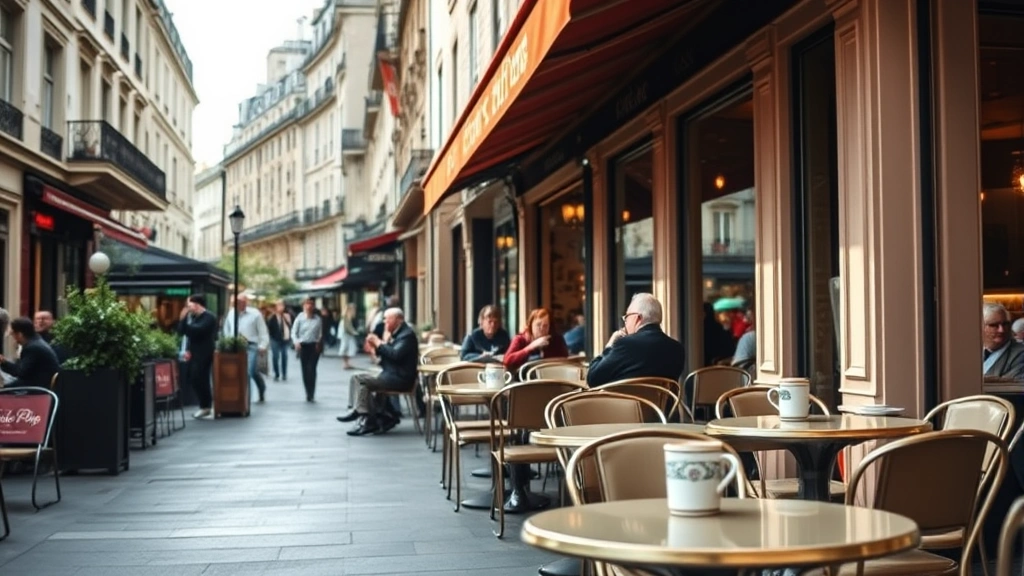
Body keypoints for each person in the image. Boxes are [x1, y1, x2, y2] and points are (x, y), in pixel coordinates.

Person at [337, 308, 418, 436]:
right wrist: (377, 347)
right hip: (391, 374)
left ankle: (364, 416)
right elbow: (388, 356)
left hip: (400, 378)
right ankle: (364, 413)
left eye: (387, 319)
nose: (384, 322)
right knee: (356, 378)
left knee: (362, 381)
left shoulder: (406, 335)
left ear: (398, 320)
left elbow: (395, 355)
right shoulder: (397, 333)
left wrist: (379, 343)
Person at [587, 293, 686, 387]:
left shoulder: (626, 344)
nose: (625, 322)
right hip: (662, 405)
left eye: (626, 317)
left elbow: (593, 378)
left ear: (637, 318)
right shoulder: (677, 350)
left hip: (625, 405)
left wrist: (609, 346)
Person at [222, 294, 271, 402]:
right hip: (236, 345)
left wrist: (263, 345)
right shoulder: (231, 314)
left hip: (252, 345)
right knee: (239, 372)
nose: (242, 304)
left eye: (244, 302)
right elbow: (227, 329)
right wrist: (227, 342)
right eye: (239, 302)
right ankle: (245, 399)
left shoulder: (255, 314)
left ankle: (260, 388)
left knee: (251, 371)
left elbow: (263, 331)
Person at [177, 294, 219, 418]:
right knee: (194, 378)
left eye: (189, 305)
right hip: (194, 352)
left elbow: (196, 331)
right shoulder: (194, 318)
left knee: (201, 377)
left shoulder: (209, 317)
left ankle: (206, 405)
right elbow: (182, 331)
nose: (188, 308)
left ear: (197, 305)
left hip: (204, 352)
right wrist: (183, 319)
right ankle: (204, 405)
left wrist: (185, 321)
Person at [503, 308, 569, 376]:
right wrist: (530, 347)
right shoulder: (520, 339)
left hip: (550, 377)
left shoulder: (557, 340)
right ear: (531, 325)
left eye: (545, 326)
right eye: (538, 325)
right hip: (523, 379)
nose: (542, 329)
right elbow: (507, 361)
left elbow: (565, 360)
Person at [0, 317, 60, 389]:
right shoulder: (36, 342)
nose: (13, 338)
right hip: (38, 383)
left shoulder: (32, 348)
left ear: (19, 334)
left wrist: (3, 362)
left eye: (13, 334)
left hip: (39, 388)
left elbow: (20, 372)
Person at [983, 302, 1024, 381]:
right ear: (980, 326)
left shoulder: (1021, 353)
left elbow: (1014, 385)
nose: (1001, 330)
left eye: (1005, 324)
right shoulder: (969, 351)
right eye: (994, 325)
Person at [292, 298, 323, 402]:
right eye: (307, 304)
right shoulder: (299, 318)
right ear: (303, 306)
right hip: (303, 346)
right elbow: (294, 332)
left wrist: (319, 341)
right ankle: (307, 392)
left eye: (311, 304)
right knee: (305, 370)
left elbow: (320, 332)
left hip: (314, 346)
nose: (309, 306)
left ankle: (312, 392)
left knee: (312, 369)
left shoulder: (317, 319)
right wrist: (296, 342)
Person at [266, 300, 292, 381]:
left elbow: (291, 326)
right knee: (275, 357)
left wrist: (287, 320)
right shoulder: (271, 317)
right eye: (279, 306)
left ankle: (284, 374)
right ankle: (277, 374)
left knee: (284, 356)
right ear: (276, 307)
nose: (281, 307)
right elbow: (268, 328)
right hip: (275, 339)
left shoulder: (287, 316)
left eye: (282, 306)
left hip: (284, 339)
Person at [339, 303, 359, 370]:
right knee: (347, 349)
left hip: (346, 336)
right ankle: (346, 364)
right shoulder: (346, 318)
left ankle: (346, 363)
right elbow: (347, 327)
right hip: (347, 336)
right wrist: (354, 332)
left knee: (347, 349)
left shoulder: (346, 317)